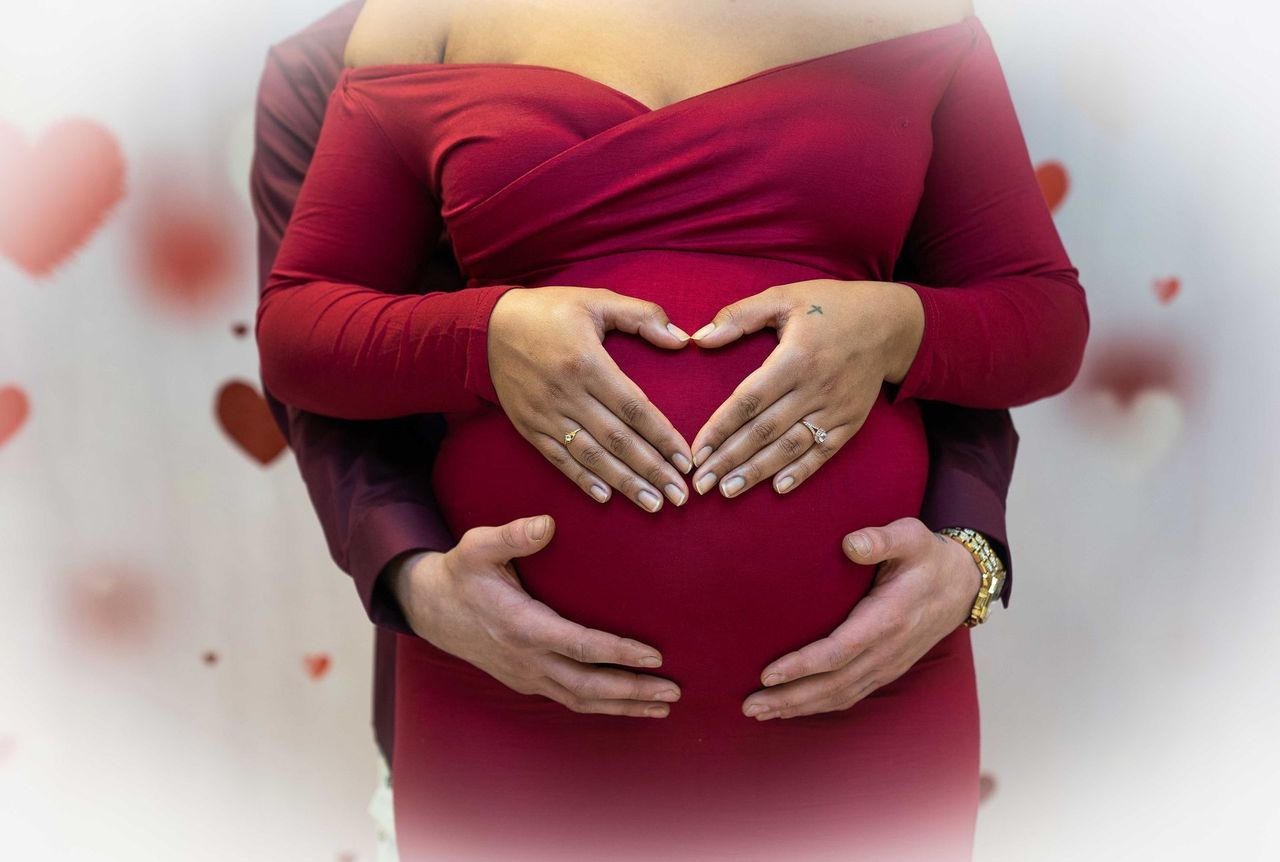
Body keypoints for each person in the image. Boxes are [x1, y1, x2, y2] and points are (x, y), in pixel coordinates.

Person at [250, 1, 1087, 859]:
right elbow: (302, 335)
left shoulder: (913, 16)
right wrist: (483, 338)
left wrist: (901, 334)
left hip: (864, 687)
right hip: (512, 689)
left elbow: (1038, 317)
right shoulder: (409, 25)